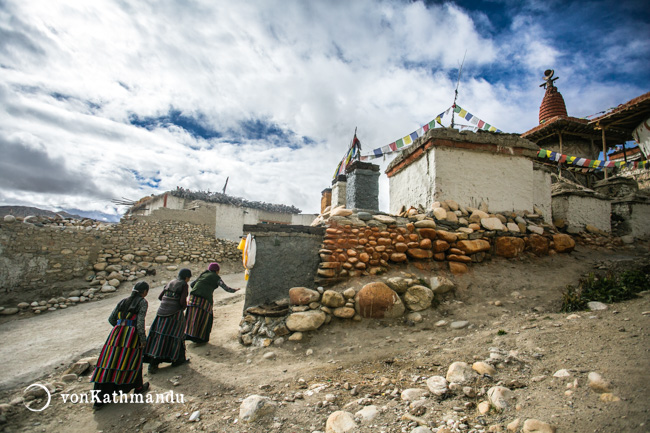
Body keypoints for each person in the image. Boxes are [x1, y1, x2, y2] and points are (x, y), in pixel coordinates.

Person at [90, 281, 150, 409]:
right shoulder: (142, 302)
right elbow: (140, 323)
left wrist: (120, 327)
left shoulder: (123, 301)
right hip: (131, 337)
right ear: (144, 292)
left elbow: (111, 319)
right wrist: (142, 339)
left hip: (116, 335)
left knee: (109, 362)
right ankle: (138, 387)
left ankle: (100, 399)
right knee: (133, 361)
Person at [144, 268, 192, 374]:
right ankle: (177, 359)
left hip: (161, 313)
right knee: (176, 336)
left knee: (159, 337)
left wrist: (168, 302)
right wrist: (182, 308)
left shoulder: (171, 282)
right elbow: (182, 301)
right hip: (174, 314)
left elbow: (161, 297)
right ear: (187, 277)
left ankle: (153, 363)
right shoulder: (183, 284)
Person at [184, 262, 239, 344]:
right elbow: (226, 288)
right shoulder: (216, 277)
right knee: (205, 318)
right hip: (204, 300)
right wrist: (235, 290)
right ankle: (200, 339)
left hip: (192, 298)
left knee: (191, 317)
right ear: (217, 271)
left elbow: (192, 284)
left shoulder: (204, 274)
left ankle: (188, 335)